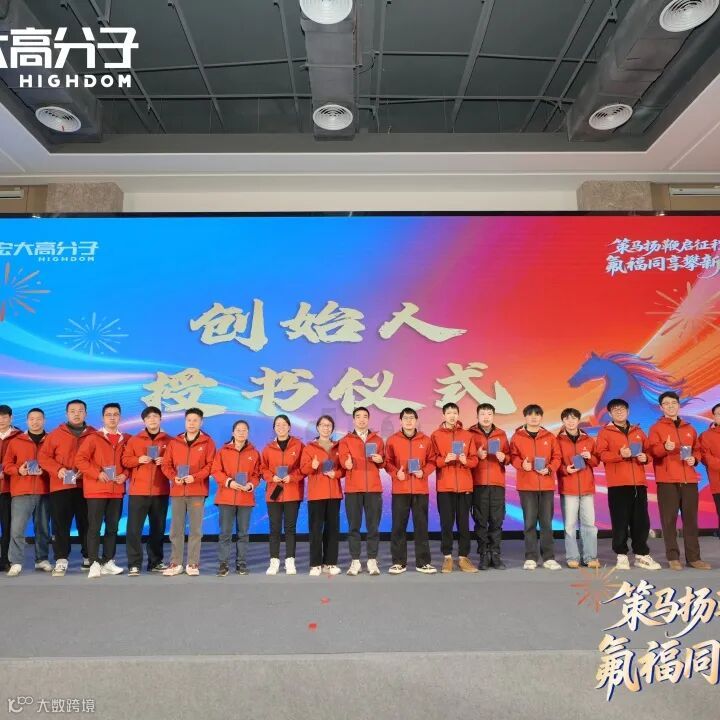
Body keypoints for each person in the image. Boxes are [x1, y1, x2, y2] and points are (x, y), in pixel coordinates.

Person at [596, 398, 660, 571]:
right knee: (620, 521)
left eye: (622, 408)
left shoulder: (638, 431)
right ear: (610, 413)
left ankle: (641, 554)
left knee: (641, 521)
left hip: (638, 483)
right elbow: (601, 455)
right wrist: (620, 454)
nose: (619, 411)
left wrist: (645, 458)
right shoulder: (605, 433)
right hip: (618, 484)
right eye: (615, 409)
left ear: (628, 411)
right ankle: (621, 555)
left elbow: (649, 452)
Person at [648, 391, 710, 570]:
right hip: (667, 480)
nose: (670, 406)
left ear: (678, 405)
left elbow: (697, 450)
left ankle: (694, 558)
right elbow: (653, 452)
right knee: (669, 520)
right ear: (661, 407)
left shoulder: (689, 428)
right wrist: (664, 447)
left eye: (673, 403)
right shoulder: (656, 428)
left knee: (691, 520)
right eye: (666, 404)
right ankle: (673, 557)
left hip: (689, 480)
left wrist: (695, 459)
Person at [38, 399, 95, 576]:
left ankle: (88, 556)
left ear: (86, 413)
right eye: (72, 411)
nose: (76, 414)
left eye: (80, 411)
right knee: (60, 524)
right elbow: (43, 457)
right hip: (61, 487)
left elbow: (99, 458)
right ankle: (61, 559)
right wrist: (58, 469)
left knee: (86, 523)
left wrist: (88, 470)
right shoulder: (55, 434)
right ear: (66, 414)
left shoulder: (94, 434)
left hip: (86, 486)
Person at [76, 402, 129, 579]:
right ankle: (93, 563)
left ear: (120, 417)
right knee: (94, 528)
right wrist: (97, 473)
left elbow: (129, 462)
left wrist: (125, 475)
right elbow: (80, 460)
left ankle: (108, 561)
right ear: (102, 418)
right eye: (108, 414)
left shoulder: (126, 439)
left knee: (113, 528)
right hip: (96, 490)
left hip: (116, 490)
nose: (112, 418)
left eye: (115, 414)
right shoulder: (93, 438)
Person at [161, 408, 216, 576]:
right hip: (178, 491)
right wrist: (173, 477)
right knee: (175, 529)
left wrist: (195, 477)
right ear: (185, 422)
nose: (191, 423)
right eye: (189, 420)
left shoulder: (208, 442)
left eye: (195, 420)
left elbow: (211, 465)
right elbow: (166, 464)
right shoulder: (175, 442)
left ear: (201, 422)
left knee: (195, 530)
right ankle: (175, 563)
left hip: (197, 491)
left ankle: (192, 563)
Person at [510, 404, 562, 571]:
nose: (534, 417)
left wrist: (549, 469)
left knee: (546, 523)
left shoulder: (550, 436)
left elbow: (557, 457)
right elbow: (512, 457)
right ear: (525, 417)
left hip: (546, 485)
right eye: (530, 414)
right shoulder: (517, 437)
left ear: (541, 417)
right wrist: (521, 464)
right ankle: (531, 557)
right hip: (526, 486)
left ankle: (549, 558)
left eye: (537, 414)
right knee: (530, 523)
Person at [384, 407, 436, 574]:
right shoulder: (392, 440)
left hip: (420, 489)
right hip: (400, 490)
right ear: (400, 421)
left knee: (421, 527)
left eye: (411, 418)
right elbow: (387, 462)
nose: (408, 421)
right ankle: (399, 562)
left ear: (416, 420)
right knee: (398, 527)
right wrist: (395, 473)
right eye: (405, 418)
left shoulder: (426, 440)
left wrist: (424, 472)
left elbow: (432, 461)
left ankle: (423, 562)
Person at [121, 406, 171, 576]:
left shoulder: (170, 440)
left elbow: (175, 462)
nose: (152, 420)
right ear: (144, 421)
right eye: (149, 417)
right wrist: (138, 459)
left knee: (158, 529)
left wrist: (165, 460)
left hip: (160, 490)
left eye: (155, 416)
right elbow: (125, 460)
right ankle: (134, 564)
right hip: (138, 491)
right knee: (134, 530)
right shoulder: (134, 440)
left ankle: (155, 562)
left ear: (160, 419)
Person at [430, 402, 479, 573]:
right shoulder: (435, 435)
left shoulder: (467, 435)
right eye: (449, 413)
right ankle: (448, 557)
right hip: (445, 486)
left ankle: (464, 557)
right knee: (446, 523)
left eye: (455, 413)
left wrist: (466, 461)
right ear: (443, 415)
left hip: (465, 486)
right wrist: (445, 460)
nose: (452, 416)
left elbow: (475, 460)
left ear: (458, 415)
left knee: (464, 523)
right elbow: (432, 460)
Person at [3, 408, 51, 576]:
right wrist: (19, 470)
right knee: (17, 529)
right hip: (21, 491)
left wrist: (45, 471)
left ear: (44, 420)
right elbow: (7, 465)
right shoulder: (16, 441)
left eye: (38, 419)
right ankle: (16, 561)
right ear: (27, 421)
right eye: (32, 419)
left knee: (43, 528)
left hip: (45, 490)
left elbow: (57, 463)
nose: (35, 422)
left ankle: (41, 559)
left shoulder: (51, 440)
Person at [339, 407, 385, 576]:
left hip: (373, 488)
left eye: (365, 416)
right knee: (354, 527)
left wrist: (380, 460)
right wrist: (346, 464)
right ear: (353, 420)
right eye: (358, 416)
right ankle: (355, 561)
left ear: (369, 419)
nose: (361, 419)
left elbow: (384, 461)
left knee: (373, 527)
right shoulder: (345, 440)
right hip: (353, 489)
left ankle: (372, 560)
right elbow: (342, 459)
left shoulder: (378, 440)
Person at [212, 420, 259, 576]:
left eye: (244, 430)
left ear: (248, 433)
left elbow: (257, 474)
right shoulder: (222, 451)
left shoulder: (254, 452)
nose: (241, 432)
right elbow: (216, 471)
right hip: (226, 498)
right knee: (225, 533)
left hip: (245, 498)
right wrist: (229, 482)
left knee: (243, 533)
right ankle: (223, 564)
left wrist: (250, 485)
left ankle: (241, 563)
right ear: (233, 433)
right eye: (238, 430)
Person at [260, 414, 304, 576]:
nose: (281, 427)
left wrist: (292, 477)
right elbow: (262, 468)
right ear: (274, 428)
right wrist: (272, 477)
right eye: (278, 425)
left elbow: (303, 468)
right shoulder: (268, 448)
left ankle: (290, 560)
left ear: (289, 427)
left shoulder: (299, 445)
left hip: (292, 492)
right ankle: (274, 561)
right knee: (274, 528)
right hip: (274, 492)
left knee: (290, 528)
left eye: (284, 424)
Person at [556, 408, 599, 569]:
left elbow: (596, 461)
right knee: (570, 525)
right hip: (568, 487)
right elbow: (555, 462)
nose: (570, 421)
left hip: (587, 487)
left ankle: (590, 557)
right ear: (563, 421)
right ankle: (572, 557)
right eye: (567, 418)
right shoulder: (557, 440)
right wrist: (565, 470)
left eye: (574, 418)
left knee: (589, 525)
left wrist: (590, 457)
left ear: (578, 420)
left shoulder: (588, 439)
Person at [468, 403, 510, 570]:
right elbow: (466, 457)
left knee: (497, 520)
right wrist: (477, 455)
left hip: (497, 483)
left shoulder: (501, 434)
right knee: (480, 521)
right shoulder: (470, 434)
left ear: (493, 416)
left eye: (489, 414)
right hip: (478, 483)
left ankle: (495, 554)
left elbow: (509, 457)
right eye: (483, 414)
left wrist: (503, 457)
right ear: (477, 416)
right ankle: (483, 554)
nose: (486, 417)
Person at [300, 415, 343, 576]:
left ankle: (330, 563)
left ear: (332, 428)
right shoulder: (309, 447)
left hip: (334, 493)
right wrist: (312, 466)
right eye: (323, 425)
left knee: (332, 530)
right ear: (317, 428)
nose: (326, 428)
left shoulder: (338, 447)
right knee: (316, 530)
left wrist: (336, 474)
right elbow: (303, 470)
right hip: (316, 494)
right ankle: (315, 564)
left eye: (329, 425)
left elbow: (344, 470)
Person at [0, 404, 22, 571]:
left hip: (9, 488)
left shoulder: (20, 437)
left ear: (11, 418)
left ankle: (5, 560)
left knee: (8, 526)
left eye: (4, 417)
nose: (1, 420)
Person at [700, 403, 720, 537]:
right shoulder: (705, 436)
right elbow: (705, 457)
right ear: (714, 417)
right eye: (718, 414)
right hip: (718, 483)